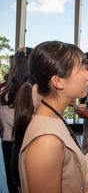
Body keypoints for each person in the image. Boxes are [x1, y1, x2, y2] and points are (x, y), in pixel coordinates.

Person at [14, 41, 88, 193]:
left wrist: (78, 176)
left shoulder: (51, 116)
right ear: (57, 82)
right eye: (81, 69)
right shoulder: (47, 142)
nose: (87, 75)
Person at [0, 51, 29, 193]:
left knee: (16, 181)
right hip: (17, 140)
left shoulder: (9, 89)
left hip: (12, 140)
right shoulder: (25, 89)